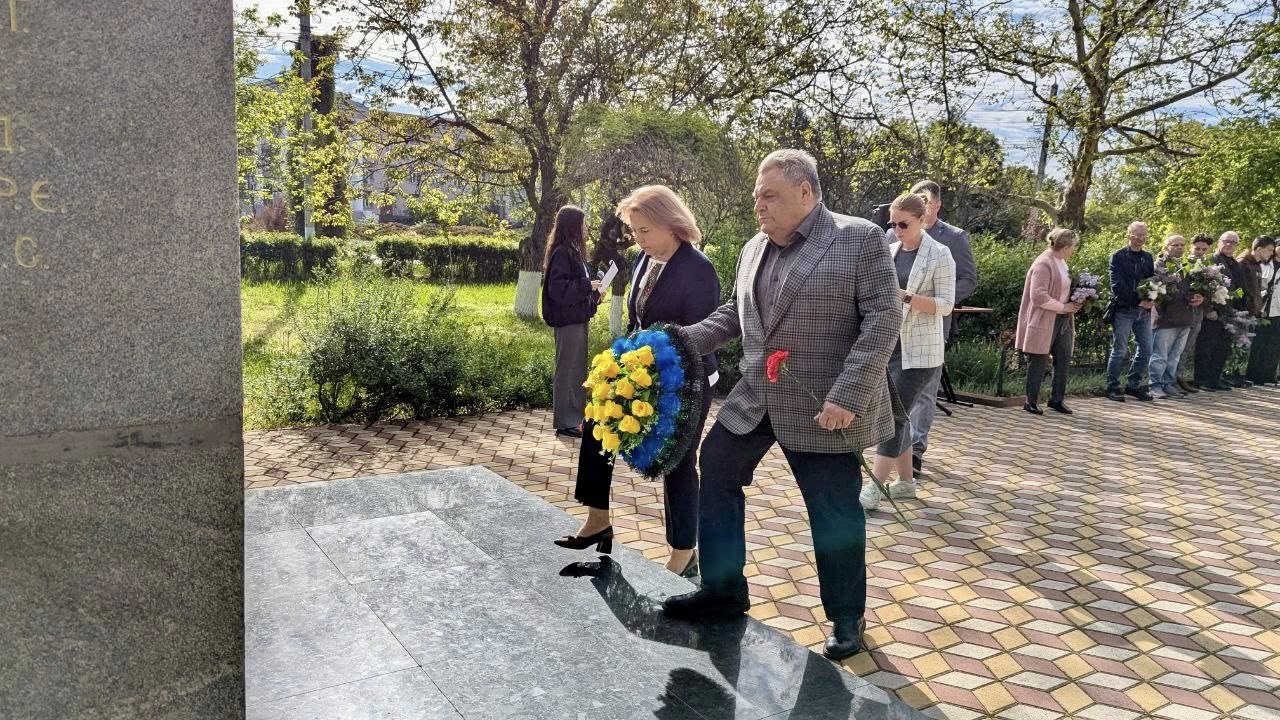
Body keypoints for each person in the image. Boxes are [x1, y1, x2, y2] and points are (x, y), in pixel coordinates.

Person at [661, 149, 900, 663]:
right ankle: (723, 590)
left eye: (769, 196)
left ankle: (847, 616)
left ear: (805, 191)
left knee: (832, 511)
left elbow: (883, 320)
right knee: (717, 467)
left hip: (824, 407)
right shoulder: (754, 247)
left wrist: (847, 395)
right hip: (756, 396)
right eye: (757, 197)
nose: (759, 206)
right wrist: (677, 342)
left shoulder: (858, 238)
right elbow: (735, 314)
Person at [554, 186, 721, 577]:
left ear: (671, 223)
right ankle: (598, 520)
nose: (637, 238)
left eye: (644, 230)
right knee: (596, 428)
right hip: (638, 371)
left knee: (679, 461)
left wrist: (650, 365)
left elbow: (703, 334)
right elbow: (637, 319)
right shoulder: (645, 259)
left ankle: (684, 551)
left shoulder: (698, 269)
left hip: (686, 381)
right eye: (634, 230)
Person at [859, 192, 954, 511]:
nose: (897, 230)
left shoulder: (940, 254)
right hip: (889, 346)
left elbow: (946, 305)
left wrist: (908, 297)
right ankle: (905, 483)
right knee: (896, 415)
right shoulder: (890, 250)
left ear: (923, 220)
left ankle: (875, 486)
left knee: (893, 415)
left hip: (921, 353)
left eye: (904, 224)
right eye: (892, 224)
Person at [895, 181, 977, 477]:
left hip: (930, 326)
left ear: (937, 205)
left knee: (925, 393)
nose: (897, 228)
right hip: (895, 331)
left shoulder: (953, 238)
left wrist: (934, 297)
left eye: (928, 201)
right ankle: (901, 464)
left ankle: (916, 452)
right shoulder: (893, 237)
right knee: (895, 404)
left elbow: (968, 280)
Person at [541, 206, 602, 438]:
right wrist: (587, 286)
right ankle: (566, 421)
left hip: (576, 319)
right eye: (582, 223)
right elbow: (559, 290)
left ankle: (575, 419)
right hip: (567, 323)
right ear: (573, 225)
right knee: (567, 371)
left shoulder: (573, 251)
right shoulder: (562, 252)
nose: (585, 228)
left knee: (576, 370)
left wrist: (594, 295)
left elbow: (574, 289)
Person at [1014, 228, 1082, 414]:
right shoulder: (1043, 263)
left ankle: (1056, 400)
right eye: (1073, 247)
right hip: (1045, 318)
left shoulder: (1062, 262)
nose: (1074, 250)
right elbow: (1038, 296)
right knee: (1039, 359)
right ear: (1065, 247)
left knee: (1064, 357)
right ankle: (1030, 401)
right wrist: (1064, 307)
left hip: (1063, 319)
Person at [1105, 221, 1156, 402]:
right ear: (1128, 235)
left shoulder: (1148, 257)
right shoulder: (1118, 256)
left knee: (1147, 349)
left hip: (1144, 312)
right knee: (1120, 350)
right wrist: (1138, 300)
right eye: (1137, 234)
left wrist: (1152, 299)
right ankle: (1112, 386)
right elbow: (1117, 287)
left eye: (1144, 234)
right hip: (1123, 310)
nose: (1141, 238)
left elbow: (1152, 281)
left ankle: (1133, 385)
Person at [1149, 235, 1205, 399]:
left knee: (1174, 356)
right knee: (1160, 356)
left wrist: (1199, 296)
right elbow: (1153, 291)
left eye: (1182, 245)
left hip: (1185, 317)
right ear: (1166, 246)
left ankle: (1169, 383)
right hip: (1165, 318)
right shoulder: (1158, 265)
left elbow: (1193, 288)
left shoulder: (1188, 265)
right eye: (1175, 245)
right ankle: (1155, 386)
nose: (1180, 247)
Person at [1195, 231, 1246, 391]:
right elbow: (1202, 287)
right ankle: (1202, 380)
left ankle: (1215, 378)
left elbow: (1240, 288)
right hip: (1213, 312)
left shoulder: (1235, 264)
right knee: (1207, 347)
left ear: (1237, 246)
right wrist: (1209, 310)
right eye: (1226, 241)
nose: (1229, 244)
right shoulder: (1211, 260)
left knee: (1222, 348)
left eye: (1233, 242)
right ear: (1219, 243)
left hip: (1229, 312)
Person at [1176, 234, 1214, 393]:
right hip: (1183, 310)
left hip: (1199, 311)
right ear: (1191, 247)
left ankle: (1179, 377)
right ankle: (1171, 378)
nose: (1200, 252)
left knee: (1188, 346)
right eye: (1197, 248)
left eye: (1204, 249)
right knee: (1178, 346)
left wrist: (1204, 299)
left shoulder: (1209, 266)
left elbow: (1210, 291)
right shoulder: (1183, 263)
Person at [1241, 236, 1277, 385]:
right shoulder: (1248, 263)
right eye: (1270, 250)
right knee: (1249, 343)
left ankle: (1264, 376)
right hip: (1250, 308)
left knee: (1272, 344)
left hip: (1261, 308)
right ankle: (1245, 374)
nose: (1271, 253)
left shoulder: (1256, 265)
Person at [590, 214, 632, 338]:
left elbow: (621, 244)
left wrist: (628, 240)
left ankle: (615, 329)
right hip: (606, 269)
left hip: (614, 269)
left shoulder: (614, 237)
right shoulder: (604, 241)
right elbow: (596, 261)